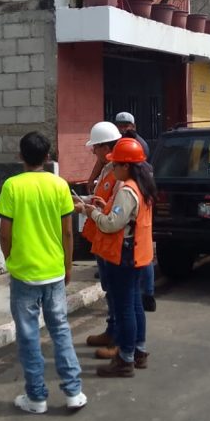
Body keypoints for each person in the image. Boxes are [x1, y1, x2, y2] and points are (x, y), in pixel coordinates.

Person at [0, 131, 86, 414]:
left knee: (28, 334)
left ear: (20, 156)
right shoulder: (59, 186)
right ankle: (73, 392)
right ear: (48, 157)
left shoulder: (12, 186)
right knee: (60, 329)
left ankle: (36, 398)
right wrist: (68, 265)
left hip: (24, 274)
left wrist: (11, 258)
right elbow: (68, 232)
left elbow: (4, 234)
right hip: (54, 271)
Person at [78, 137, 155, 377]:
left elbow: (112, 224)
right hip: (137, 254)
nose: (112, 168)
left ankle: (125, 359)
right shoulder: (142, 186)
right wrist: (103, 206)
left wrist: (92, 213)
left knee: (124, 308)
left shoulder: (127, 190)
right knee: (133, 305)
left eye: (116, 164)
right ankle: (138, 351)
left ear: (126, 166)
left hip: (123, 256)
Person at [73, 121, 121, 359]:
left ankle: (119, 341)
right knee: (108, 289)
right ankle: (112, 331)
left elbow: (114, 211)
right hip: (101, 238)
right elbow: (103, 198)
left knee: (117, 293)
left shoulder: (120, 173)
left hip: (112, 239)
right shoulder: (107, 169)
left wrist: (86, 209)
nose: (93, 152)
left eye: (95, 147)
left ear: (105, 146)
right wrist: (89, 200)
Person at [114, 112, 157, 312]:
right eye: (120, 125)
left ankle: (147, 294)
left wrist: (94, 214)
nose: (123, 128)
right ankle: (146, 296)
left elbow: (113, 222)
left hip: (133, 226)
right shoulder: (141, 176)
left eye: (126, 125)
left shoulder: (130, 185)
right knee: (144, 256)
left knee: (129, 299)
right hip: (142, 216)